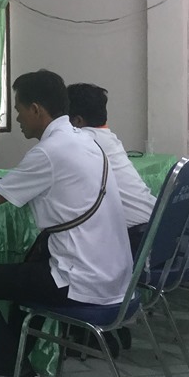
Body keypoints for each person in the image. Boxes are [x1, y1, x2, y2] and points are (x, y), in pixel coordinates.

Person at [0, 70, 131, 377]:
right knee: (23, 271)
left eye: (19, 109)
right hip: (114, 274)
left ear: (36, 109)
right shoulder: (85, 141)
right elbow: (15, 187)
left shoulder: (49, 152)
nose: (17, 118)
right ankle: (18, 363)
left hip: (82, 279)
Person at [67, 83, 155, 253]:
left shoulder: (82, 142)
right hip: (155, 228)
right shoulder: (109, 138)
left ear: (77, 120)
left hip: (134, 239)